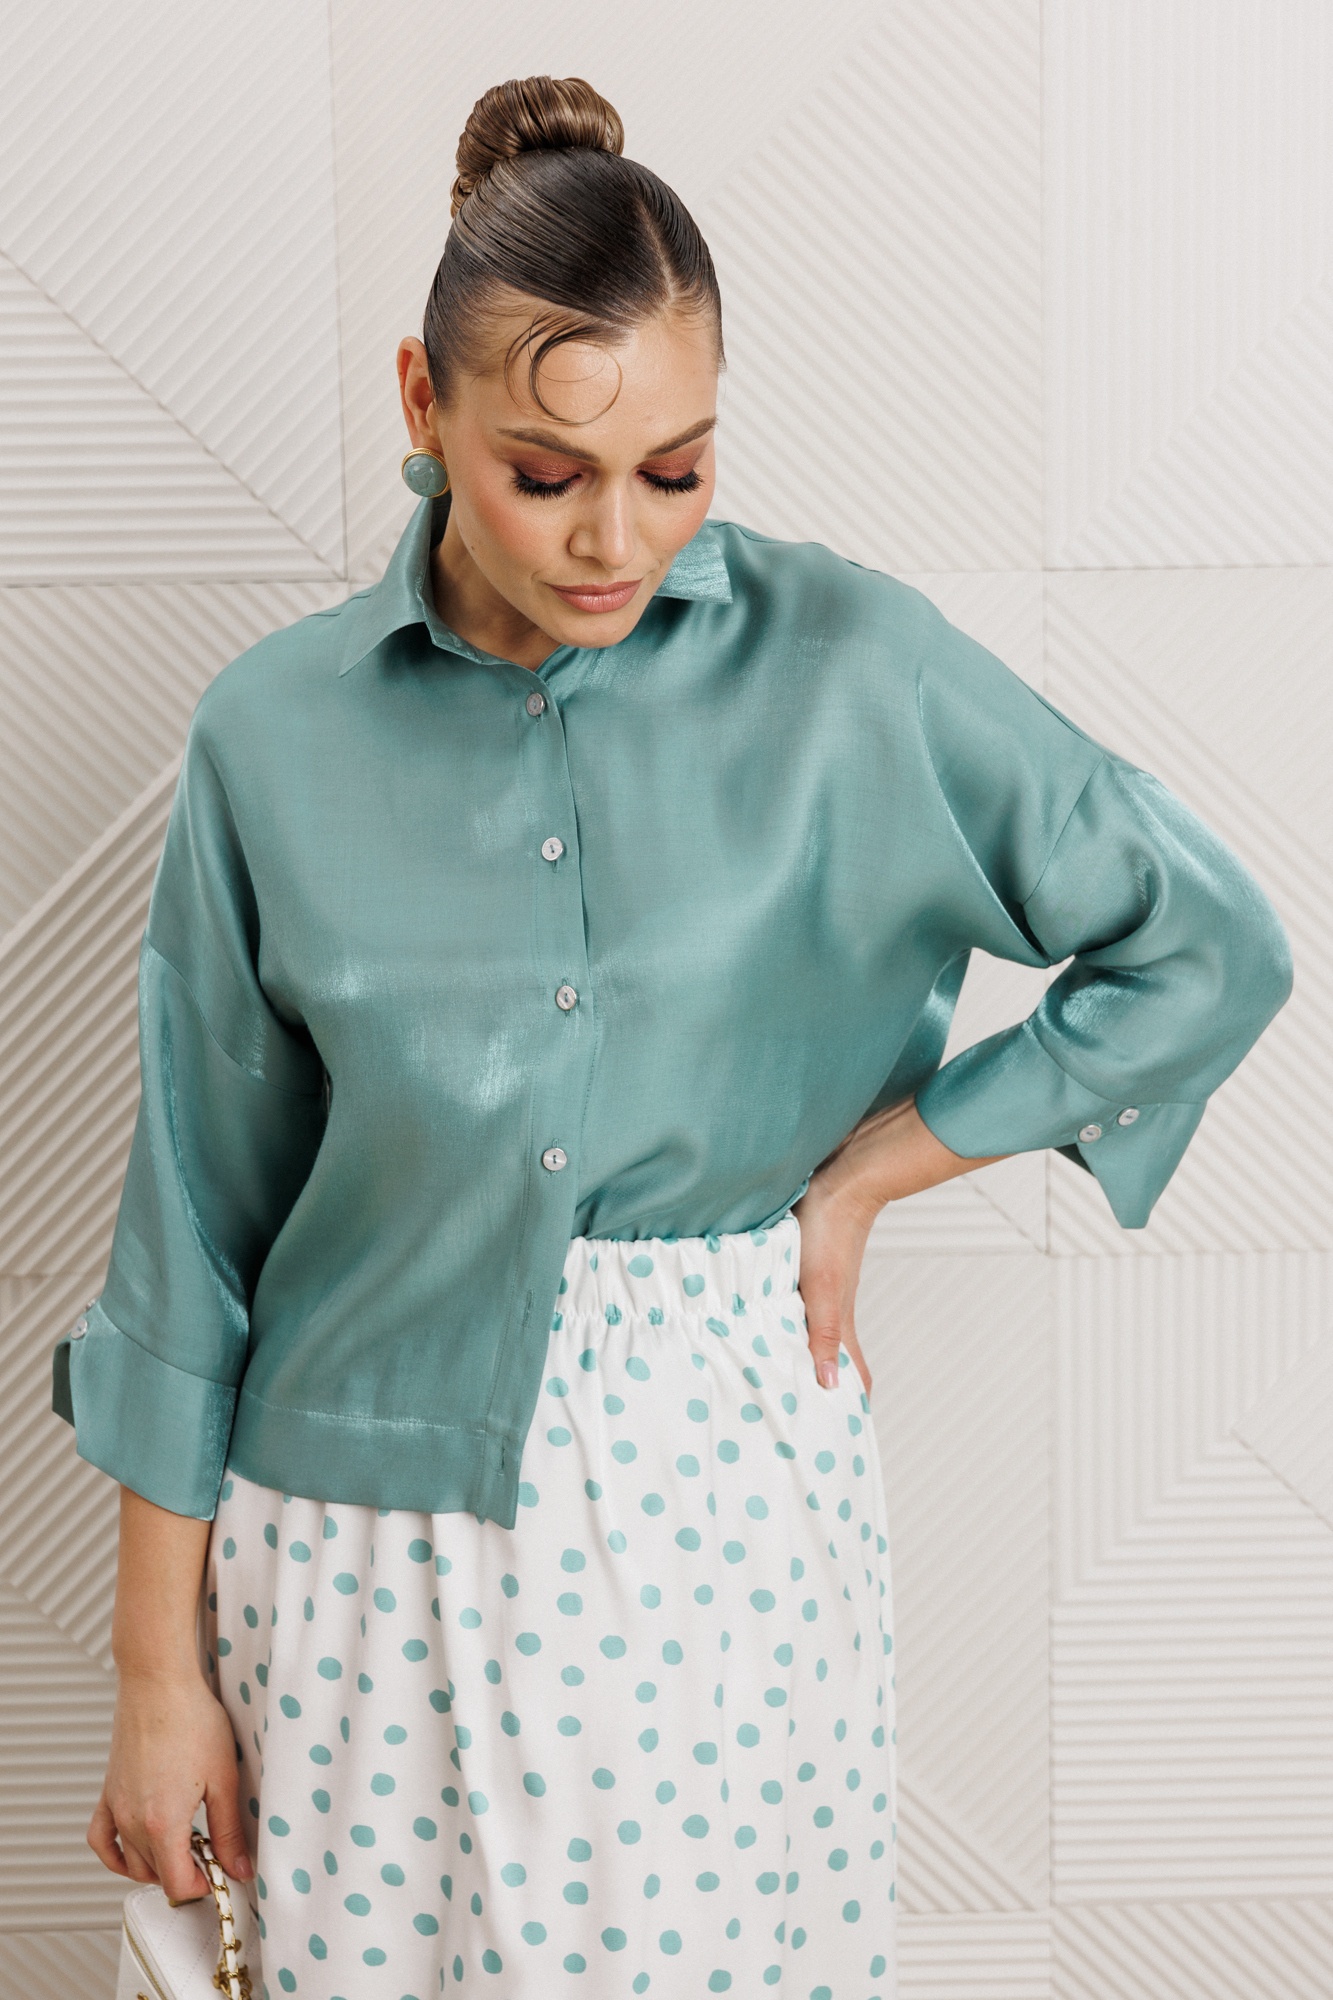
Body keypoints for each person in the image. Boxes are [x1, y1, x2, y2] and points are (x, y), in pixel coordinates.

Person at [53, 74, 1291, 2000]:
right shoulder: (270, 733)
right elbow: (195, 1221)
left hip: (708, 1530)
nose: (612, 539)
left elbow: (1202, 943)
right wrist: (157, 1676)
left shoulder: (852, 667)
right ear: (420, 405)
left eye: (677, 468)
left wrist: (878, 1170)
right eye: (546, 475)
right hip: (341, 1554)